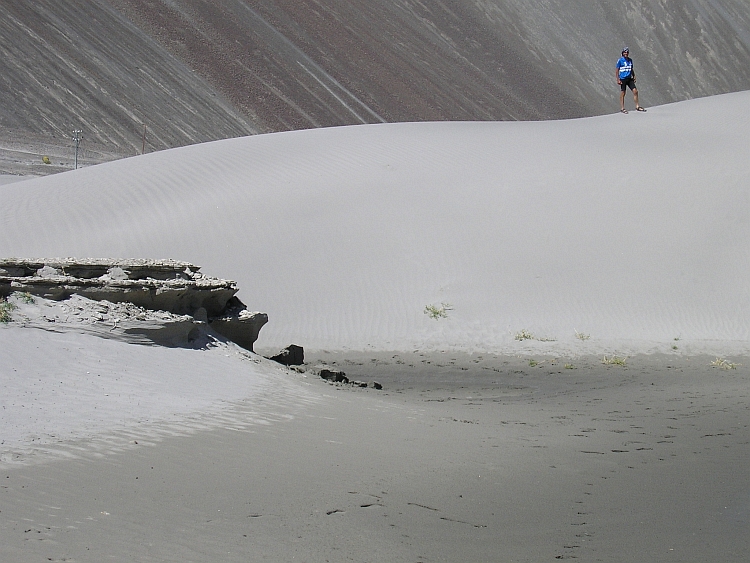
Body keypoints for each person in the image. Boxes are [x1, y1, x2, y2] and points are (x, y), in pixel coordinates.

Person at [616, 48, 645, 113]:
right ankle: (622, 108)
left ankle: (637, 106)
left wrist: (634, 75)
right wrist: (618, 79)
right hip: (623, 78)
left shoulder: (630, 60)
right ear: (623, 53)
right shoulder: (620, 60)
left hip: (629, 78)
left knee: (635, 91)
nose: (626, 53)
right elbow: (617, 70)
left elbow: (631, 68)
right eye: (624, 52)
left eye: (627, 52)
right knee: (623, 93)